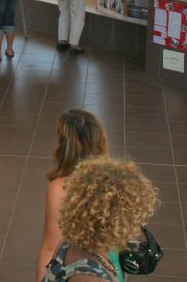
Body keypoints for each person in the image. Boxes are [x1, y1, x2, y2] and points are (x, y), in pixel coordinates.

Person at [42, 158, 157, 282]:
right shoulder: (93, 278)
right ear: (116, 224)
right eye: (134, 218)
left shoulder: (71, 240)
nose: (136, 225)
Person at [36, 110, 110, 282]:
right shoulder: (112, 182)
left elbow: (51, 246)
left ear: (65, 146)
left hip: (79, 271)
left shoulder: (61, 187)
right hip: (109, 268)